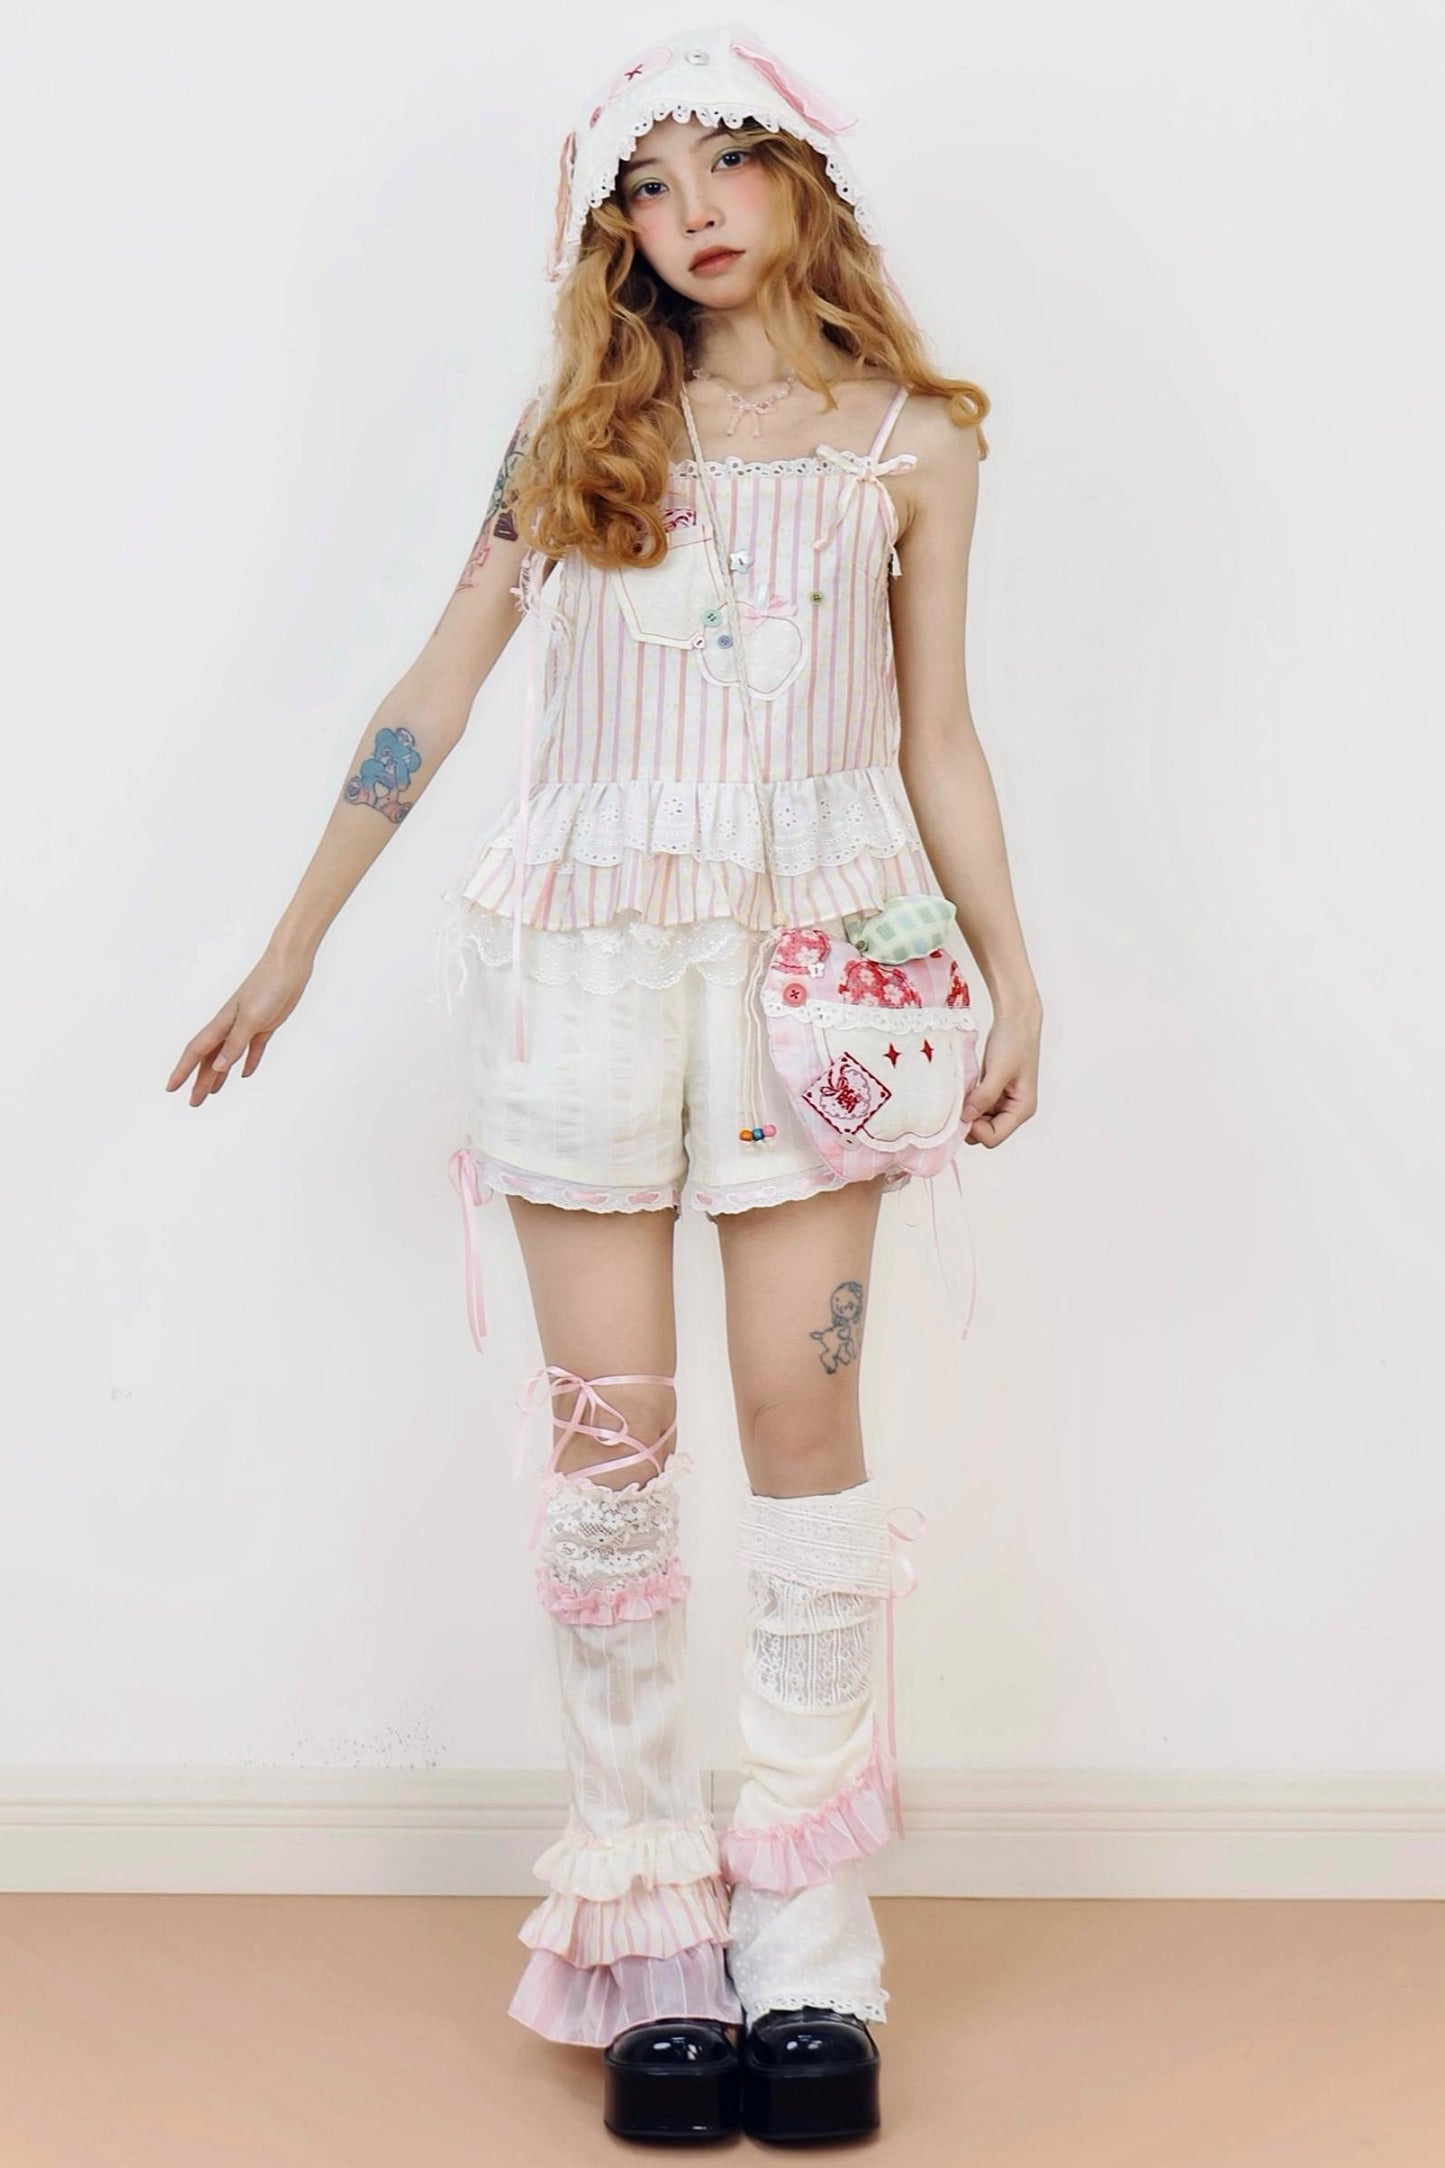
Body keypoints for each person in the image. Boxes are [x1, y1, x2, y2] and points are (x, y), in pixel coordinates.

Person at [166, 21, 1043, 2145]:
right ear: (613, 230)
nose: (691, 212)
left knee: (803, 1428)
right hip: (583, 967)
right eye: (646, 186)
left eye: (725, 163)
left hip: (824, 963)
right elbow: (439, 681)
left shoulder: (915, 442)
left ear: (803, 180)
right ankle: (650, 1929)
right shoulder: (576, 434)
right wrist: (291, 938)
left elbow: (936, 730)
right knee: (612, 1448)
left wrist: (1011, 972)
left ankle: (807, 1940)